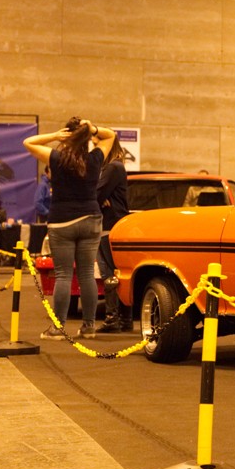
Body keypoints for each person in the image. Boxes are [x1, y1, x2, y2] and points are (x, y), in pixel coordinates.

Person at [23, 118, 115, 340]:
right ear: (86, 137)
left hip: (62, 222)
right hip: (91, 219)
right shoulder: (95, 158)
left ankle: (58, 328)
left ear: (67, 136)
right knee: (87, 274)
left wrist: (55, 136)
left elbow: (28, 142)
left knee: (63, 275)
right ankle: (89, 327)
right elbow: (110, 135)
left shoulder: (56, 158)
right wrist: (92, 128)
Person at [95, 135, 131, 333]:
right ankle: (123, 319)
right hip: (114, 224)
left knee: (110, 273)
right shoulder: (116, 167)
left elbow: (95, 194)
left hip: (110, 226)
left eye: (97, 145)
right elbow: (99, 194)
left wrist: (98, 198)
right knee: (117, 272)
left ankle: (113, 319)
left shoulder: (112, 168)